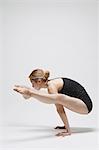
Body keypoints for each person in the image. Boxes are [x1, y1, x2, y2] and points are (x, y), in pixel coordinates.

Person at [13, 68, 93, 137]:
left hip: (85, 106)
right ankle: (29, 92)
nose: (32, 85)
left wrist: (68, 130)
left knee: (58, 98)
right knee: (53, 97)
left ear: (39, 81)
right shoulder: (51, 84)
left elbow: (60, 110)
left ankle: (30, 93)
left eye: (32, 82)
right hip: (79, 103)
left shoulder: (52, 87)